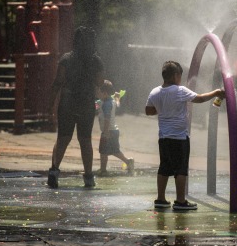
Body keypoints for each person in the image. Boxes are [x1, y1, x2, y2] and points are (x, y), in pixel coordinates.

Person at [145, 61, 225, 211]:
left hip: (163, 138)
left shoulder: (155, 92)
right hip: (180, 138)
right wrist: (215, 93)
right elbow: (199, 98)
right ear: (176, 76)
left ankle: (160, 199)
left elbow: (148, 111)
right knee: (180, 169)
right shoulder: (180, 90)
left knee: (164, 167)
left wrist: (164, 110)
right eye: (180, 75)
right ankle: (180, 201)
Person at [47, 26, 104, 188]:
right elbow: (100, 82)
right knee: (85, 140)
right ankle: (88, 176)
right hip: (86, 103)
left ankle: (54, 171)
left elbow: (58, 81)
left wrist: (50, 103)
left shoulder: (66, 58)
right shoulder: (96, 60)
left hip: (67, 102)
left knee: (63, 138)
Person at [95, 80, 134, 176]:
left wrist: (105, 132)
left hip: (109, 130)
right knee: (110, 151)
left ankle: (105, 169)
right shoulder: (108, 101)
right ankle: (127, 162)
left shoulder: (106, 104)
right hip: (113, 130)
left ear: (104, 93)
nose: (97, 93)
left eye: (98, 92)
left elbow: (107, 118)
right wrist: (117, 98)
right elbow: (98, 105)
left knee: (107, 151)